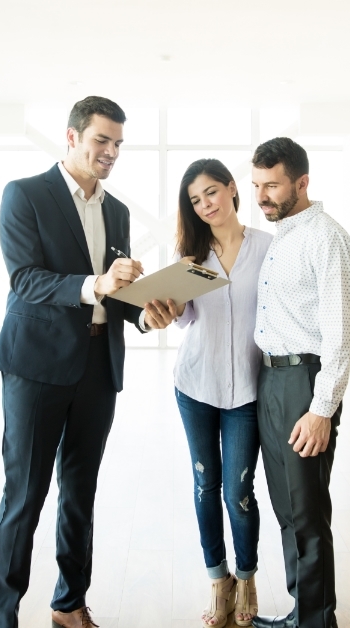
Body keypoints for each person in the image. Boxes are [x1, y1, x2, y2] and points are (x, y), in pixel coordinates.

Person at [0, 96, 150, 628]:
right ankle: (3, 615)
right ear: (72, 136)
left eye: (118, 143)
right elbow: (25, 279)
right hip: (35, 368)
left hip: (99, 368)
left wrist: (148, 314)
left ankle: (69, 604)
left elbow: (118, 296)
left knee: (81, 493)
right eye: (102, 140)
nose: (111, 152)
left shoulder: (117, 210)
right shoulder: (26, 195)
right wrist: (94, 284)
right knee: (25, 495)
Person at [144, 159, 273, 628]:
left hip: (248, 391)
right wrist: (171, 305)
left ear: (233, 189)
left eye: (211, 193)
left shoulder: (268, 248)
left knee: (239, 491)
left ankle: (247, 577)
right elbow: (184, 320)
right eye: (195, 201)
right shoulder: (191, 259)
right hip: (195, 384)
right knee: (206, 485)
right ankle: (218, 581)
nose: (205, 206)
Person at [246, 138, 350, 628]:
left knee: (308, 512)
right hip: (272, 379)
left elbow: (342, 332)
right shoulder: (282, 237)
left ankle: (316, 622)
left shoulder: (326, 238)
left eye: (271, 185)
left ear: (302, 182)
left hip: (305, 382)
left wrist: (322, 409)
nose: (261, 196)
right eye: (256, 185)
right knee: (288, 510)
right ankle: (304, 613)